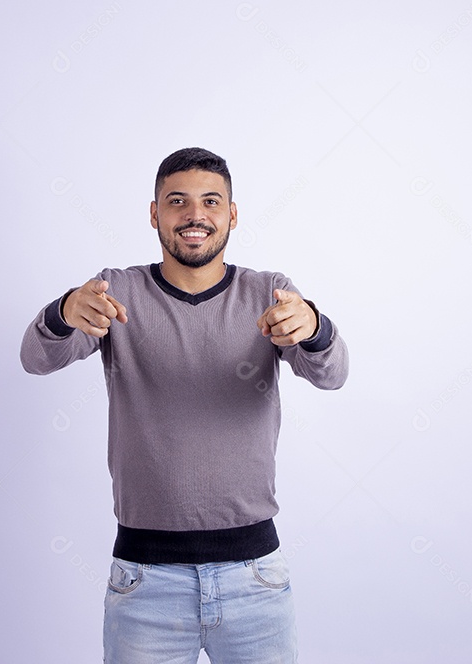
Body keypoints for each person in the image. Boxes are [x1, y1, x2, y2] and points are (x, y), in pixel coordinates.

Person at [20, 147, 348, 663]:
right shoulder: (118, 290)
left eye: (211, 202)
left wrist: (315, 326)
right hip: (145, 582)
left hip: (254, 578)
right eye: (177, 201)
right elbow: (37, 358)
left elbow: (332, 374)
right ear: (155, 214)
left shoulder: (269, 292)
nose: (195, 215)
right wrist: (63, 311)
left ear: (232, 215)